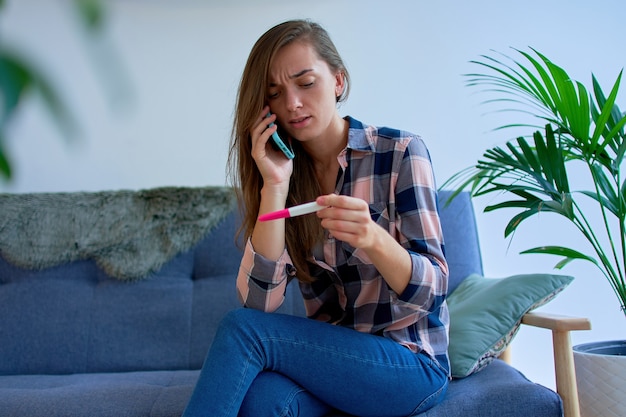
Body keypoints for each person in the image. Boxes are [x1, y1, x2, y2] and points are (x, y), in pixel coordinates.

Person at [183, 19, 449, 417]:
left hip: (410, 366)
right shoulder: (285, 177)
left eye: (306, 83)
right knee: (263, 400)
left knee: (242, 332)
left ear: (338, 81)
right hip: (337, 372)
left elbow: (435, 289)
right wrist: (274, 185)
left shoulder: (400, 153)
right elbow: (259, 304)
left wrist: (374, 239)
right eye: (275, 93)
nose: (292, 103)